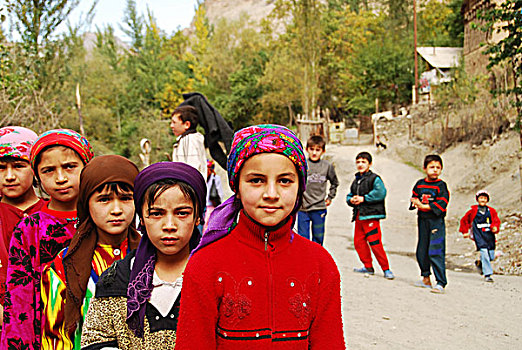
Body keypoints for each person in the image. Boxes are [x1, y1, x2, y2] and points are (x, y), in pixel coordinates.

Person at [175, 124, 345, 349]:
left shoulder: (321, 264)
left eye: (285, 181)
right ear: (236, 185)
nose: (271, 194)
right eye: (256, 180)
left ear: (300, 186)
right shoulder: (205, 265)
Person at [80, 162, 205, 349]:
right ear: (142, 219)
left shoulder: (216, 276)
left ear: (197, 217)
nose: (169, 225)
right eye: (156, 213)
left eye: (182, 213)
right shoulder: (116, 280)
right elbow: (95, 340)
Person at [1, 129, 93, 349]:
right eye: (49, 170)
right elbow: (19, 301)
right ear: (37, 175)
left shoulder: (101, 220)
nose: (61, 178)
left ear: (87, 167)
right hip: (45, 339)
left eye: (70, 167)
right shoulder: (30, 229)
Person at [40, 155, 141, 349]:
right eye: (104, 200)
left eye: (126, 198)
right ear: (86, 203)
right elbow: (55, 337)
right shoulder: (64, 266)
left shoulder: (154, 256)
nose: (116, 209)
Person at [0, 126, 46, 327]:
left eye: (19, 166)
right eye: (1, 168)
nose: (9, 176)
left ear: (35, 169)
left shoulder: (53, 212)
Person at [346, 151, 394, 280]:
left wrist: (364, 198)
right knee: (358, 242)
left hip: (371, 216)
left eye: (363, 162)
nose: (360, 165)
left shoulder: (375, 179)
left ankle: (386, 269)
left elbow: (380, 193)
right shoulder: (356, 180)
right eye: (358, 162)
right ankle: (368, 266)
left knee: (375, 243)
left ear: (370, 164)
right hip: (359, 216)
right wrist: (351, 200)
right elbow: (350, 194)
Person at [409, 154, 450, 294]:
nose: (435, 170)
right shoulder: (420, 184)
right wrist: (415, 203)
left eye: (438, 167)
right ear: (425, 168)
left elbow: (442, 204)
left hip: (436, 222)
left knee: (436, 250)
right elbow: (414, 197)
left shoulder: (441, 186)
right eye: (432, 167)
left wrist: (424, 206)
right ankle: (425, 277)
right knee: (422, 249)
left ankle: (440, 282)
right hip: (422, 220)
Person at [297, 135, 339, 246]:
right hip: (303, 209)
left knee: (318, 239)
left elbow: (335, 183)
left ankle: (316, 261)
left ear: (323, 151)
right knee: (302, 240)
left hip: (319, 208)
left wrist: (330, 197)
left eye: (318, 150)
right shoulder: (302, 165)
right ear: (306, 150)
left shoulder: (327, 167)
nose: (314, 153)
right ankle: (304, 262)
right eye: (311, 149)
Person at [459, 190, 500, 282]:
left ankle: (480, 264)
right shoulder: (472, 211)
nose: (483, 200)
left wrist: (495, 228)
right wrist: (465, 231)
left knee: (491, 256)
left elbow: (496, 221)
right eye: (481, 198)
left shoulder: (491, 211)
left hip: (489, 236)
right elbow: (464, 221)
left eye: (485, 198)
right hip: (479, 236)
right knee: (484, 253)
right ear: (477, 200)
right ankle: (488, 274)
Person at [170, 105, 207, 177]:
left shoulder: (189, 140)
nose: (171, 126)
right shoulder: (191, 138)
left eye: (174, 122)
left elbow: (192, 168)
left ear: (187, 124)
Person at [204, 159, 224, 233]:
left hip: (212, 205)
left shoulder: (216, 178)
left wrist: (219, 205)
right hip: (204, 205)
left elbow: (220, 192)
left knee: (208, 223)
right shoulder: (203, 178)